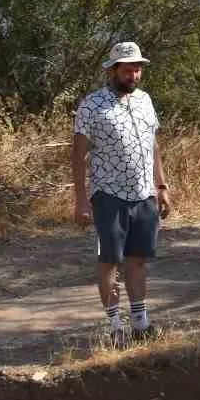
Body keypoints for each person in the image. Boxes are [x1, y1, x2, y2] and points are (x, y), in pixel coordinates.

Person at [72, 41, 172, 346]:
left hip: (143, 195)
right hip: (108, 196)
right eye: (128, 70)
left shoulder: (144, 101)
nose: (135, 75)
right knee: (109, 260)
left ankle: (141, 323)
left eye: (138, 69)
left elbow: (153, 146)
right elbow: (78, 156)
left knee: (138, 259)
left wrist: (162, 186)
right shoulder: (92, 106)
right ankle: (115, 326)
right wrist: (80, 200)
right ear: (113, 70)